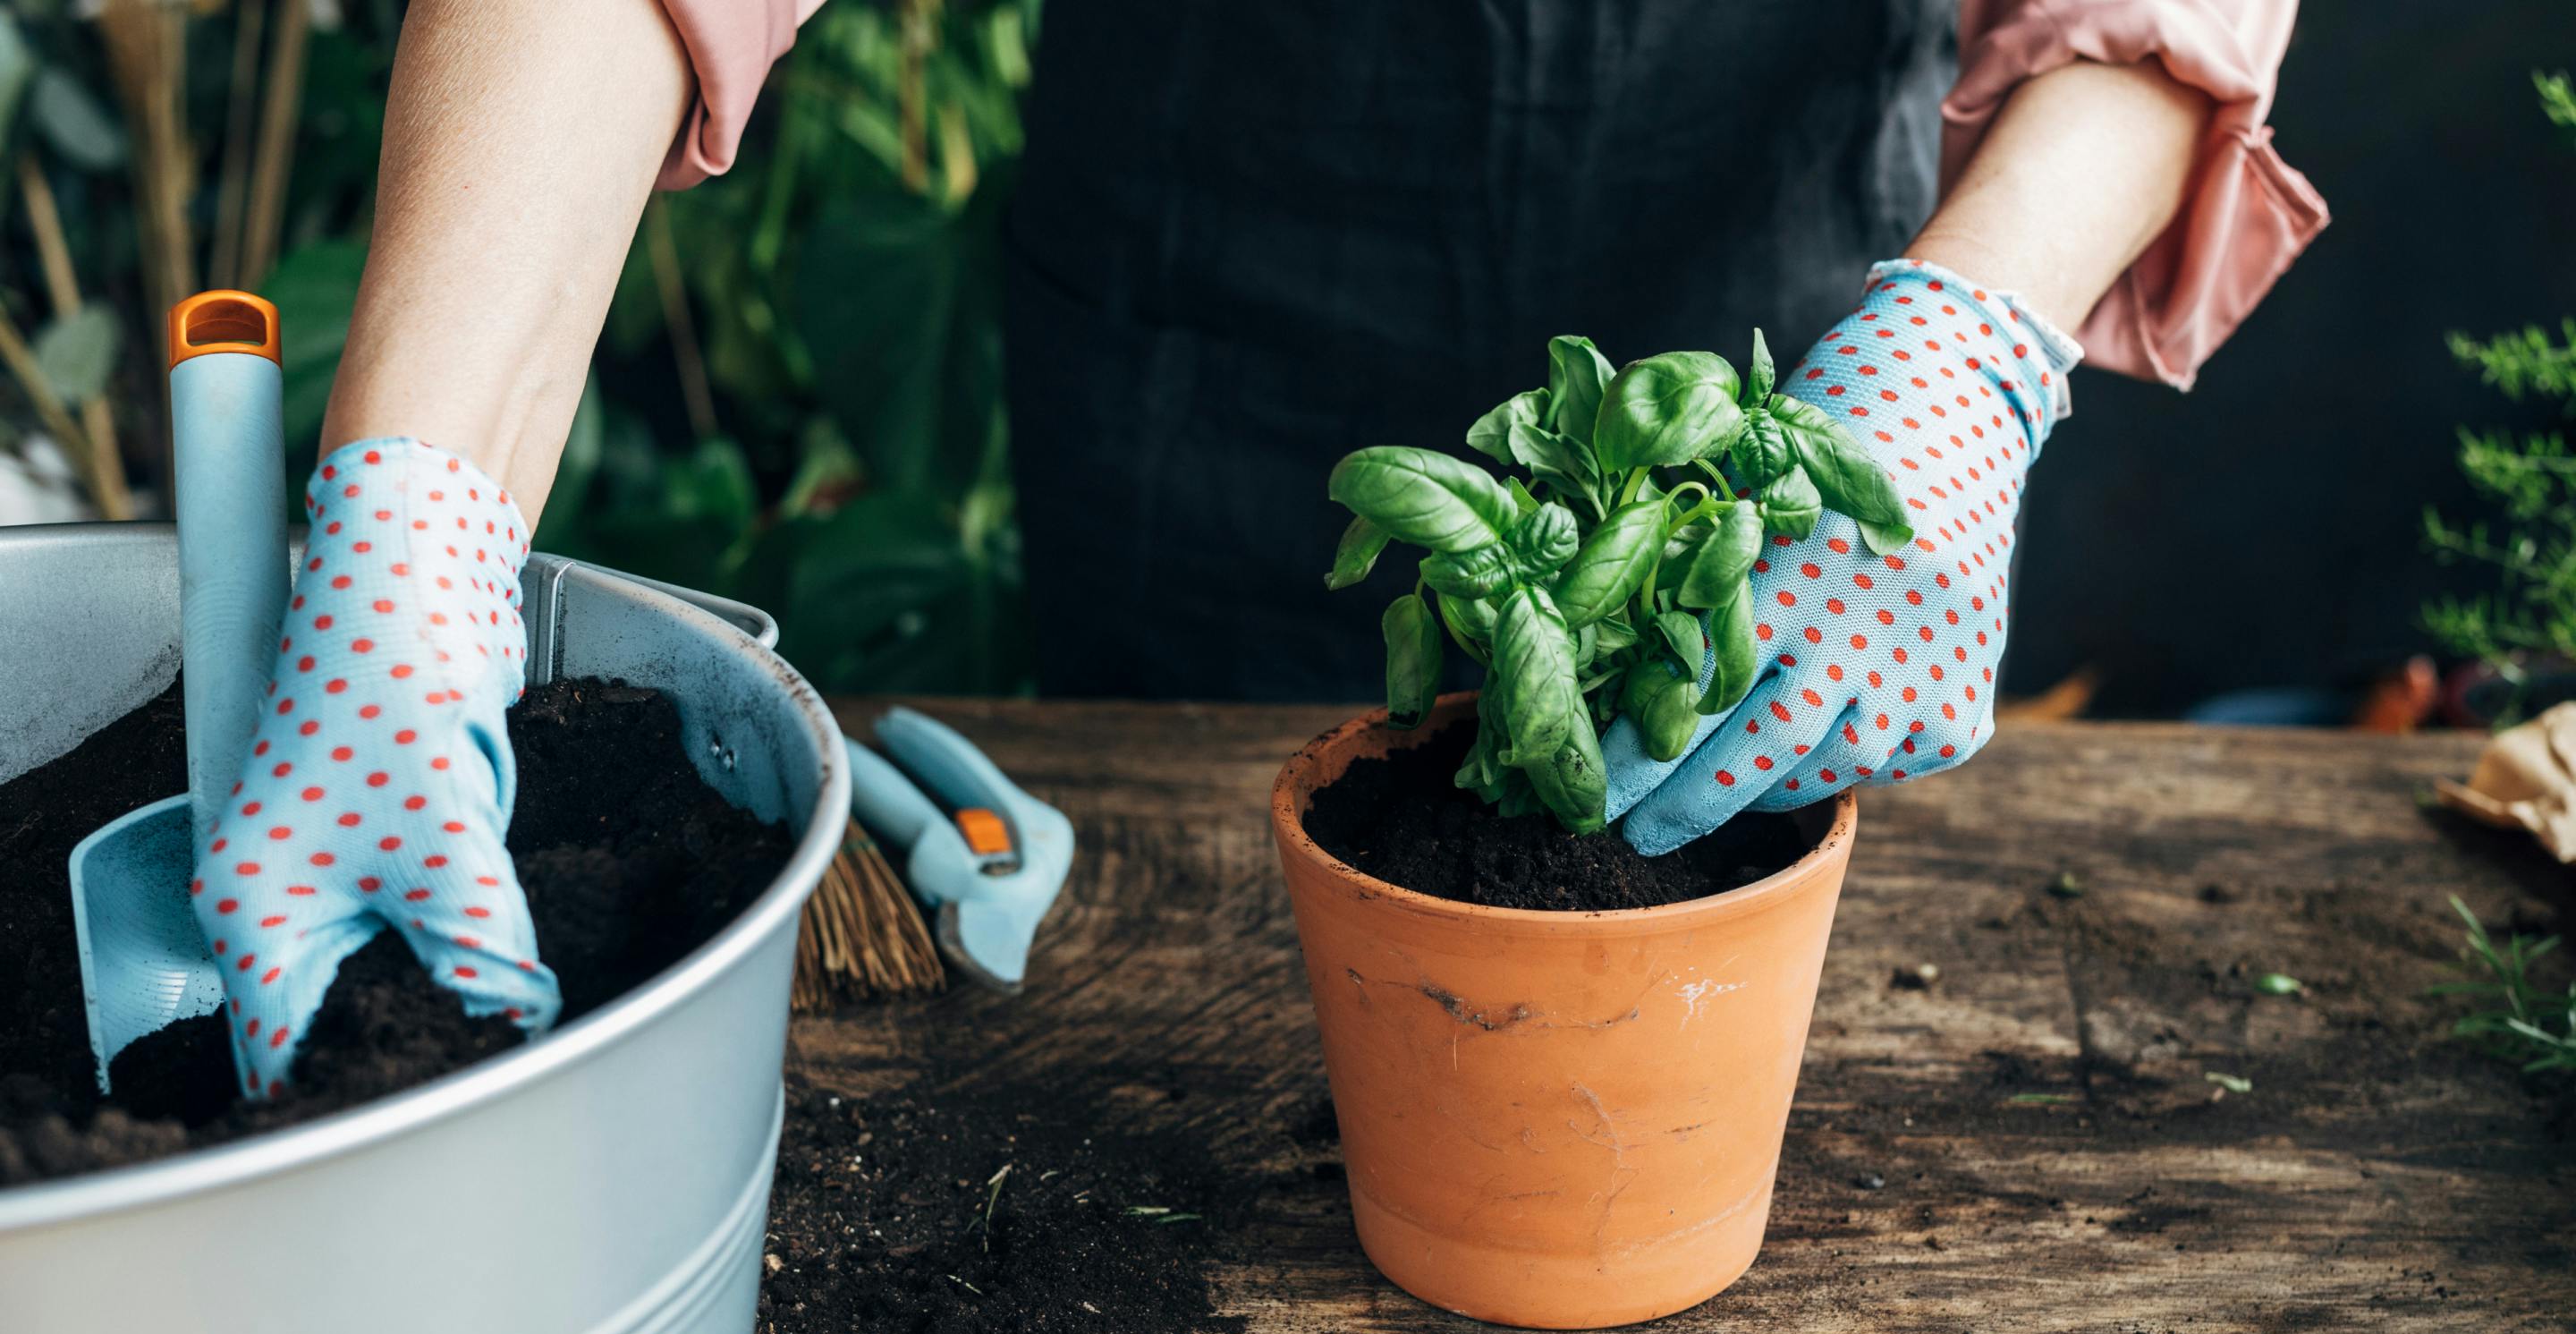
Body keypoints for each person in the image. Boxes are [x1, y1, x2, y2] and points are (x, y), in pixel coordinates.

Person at [203, 0, 2323, 1086]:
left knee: (1702, 871)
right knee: (1182, 1020)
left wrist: (1975, 339)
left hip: (1774, 297)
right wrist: (415, 503)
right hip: (1213, 286)